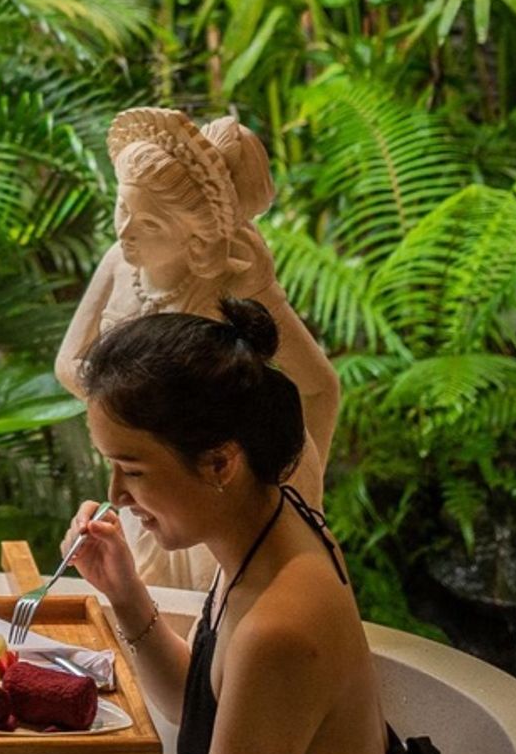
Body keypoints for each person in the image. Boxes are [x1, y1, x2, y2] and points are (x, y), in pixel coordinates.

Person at [63, 298, 453, 754]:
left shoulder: (282, 627)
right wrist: (126, 595)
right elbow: (196, 707)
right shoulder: (269, 528)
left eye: (134, 470)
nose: (116, 494)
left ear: (221, 463)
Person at [55, 108, 340, 591]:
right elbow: (68, 364)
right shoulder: (118, 263)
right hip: (148, 483)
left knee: (212, 619)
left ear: (197, 238)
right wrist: (139, 418)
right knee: (134, 605)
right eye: (123, 210)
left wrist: (298, 501)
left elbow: (321, 388)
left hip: (214, 493)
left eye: (150, 224)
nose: (126, 231)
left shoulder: (230, 286)